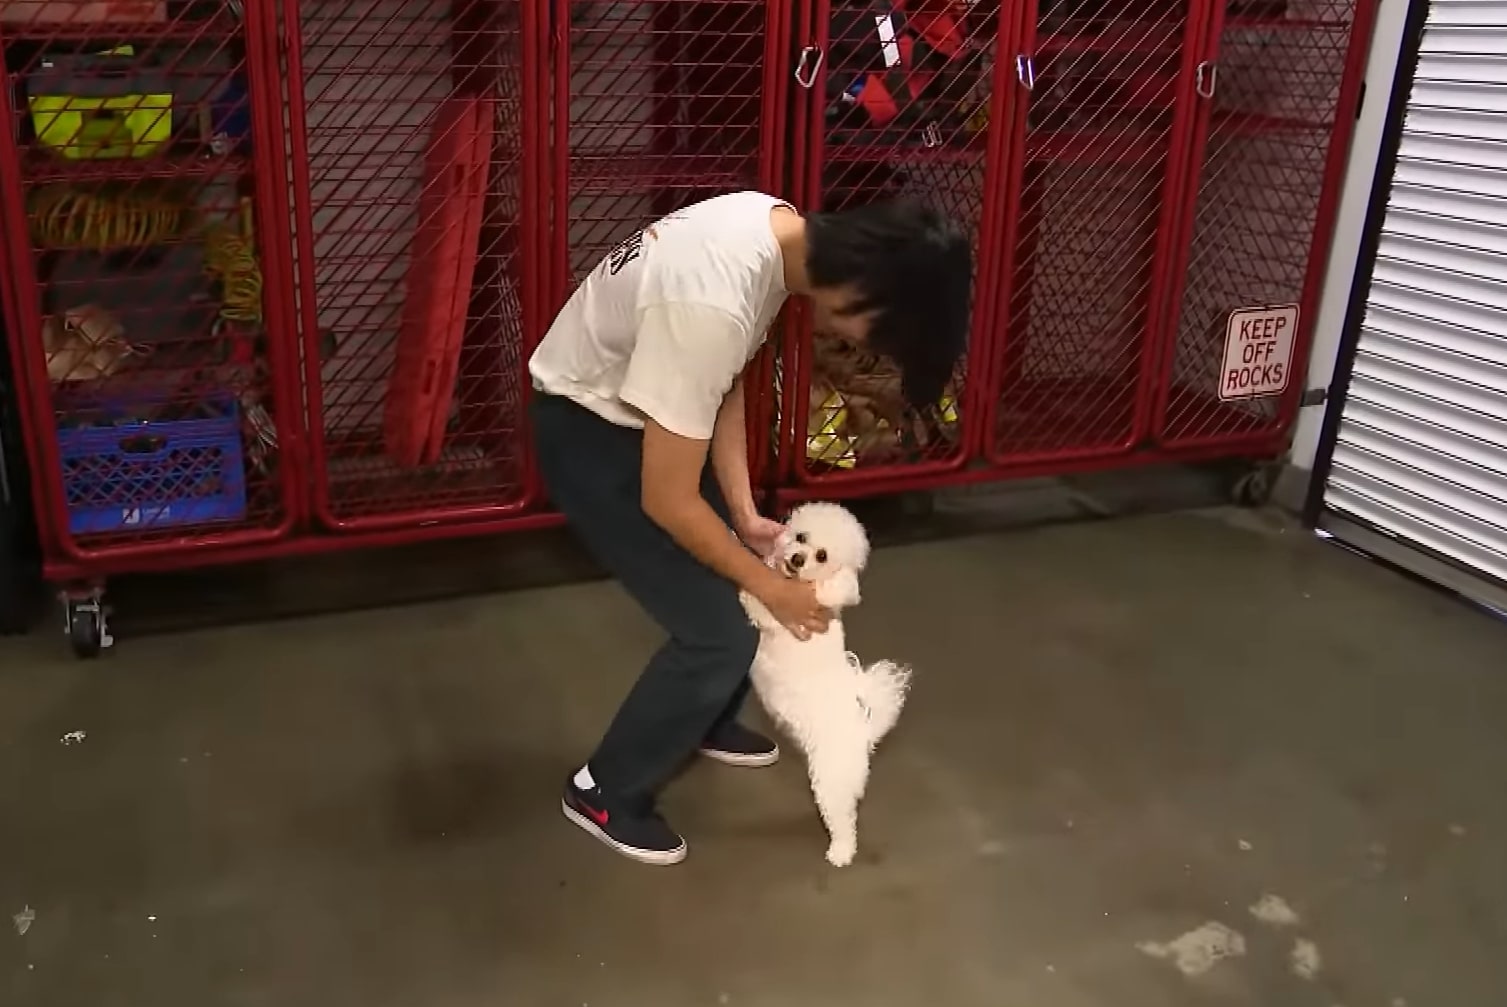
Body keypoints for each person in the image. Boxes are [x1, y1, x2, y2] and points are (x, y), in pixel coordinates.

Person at [527, 191, 971, 865]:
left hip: (637, 414)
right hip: (589, 430)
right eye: (872, 334)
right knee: (720, 627)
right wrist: (769, 584)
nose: (857, 345)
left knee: (737, 585)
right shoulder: (712, 297)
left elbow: (720, 380)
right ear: (857, 291)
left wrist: (740, 513)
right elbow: (668, 499)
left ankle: (701, 719)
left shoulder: (772, 230)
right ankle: (603, 789)